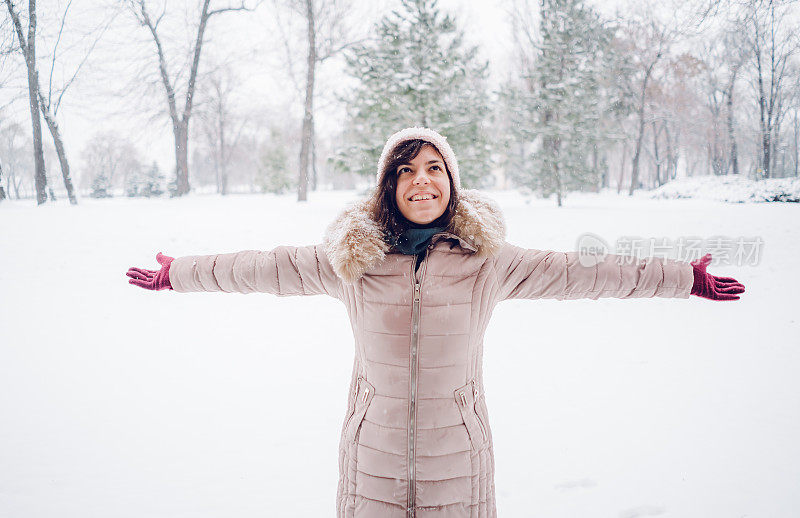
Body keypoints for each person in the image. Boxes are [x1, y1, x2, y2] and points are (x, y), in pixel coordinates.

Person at [126, 127, 745, 518]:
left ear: (451, 182)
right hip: (373, 460)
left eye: (433, 169)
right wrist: (177, 271)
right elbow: (262, 268)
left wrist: (682, 277)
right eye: (406, 171)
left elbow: (587, 271)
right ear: (387, 187)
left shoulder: (488, 264)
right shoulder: (351, 263)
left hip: (461, 462)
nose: (421, 181)